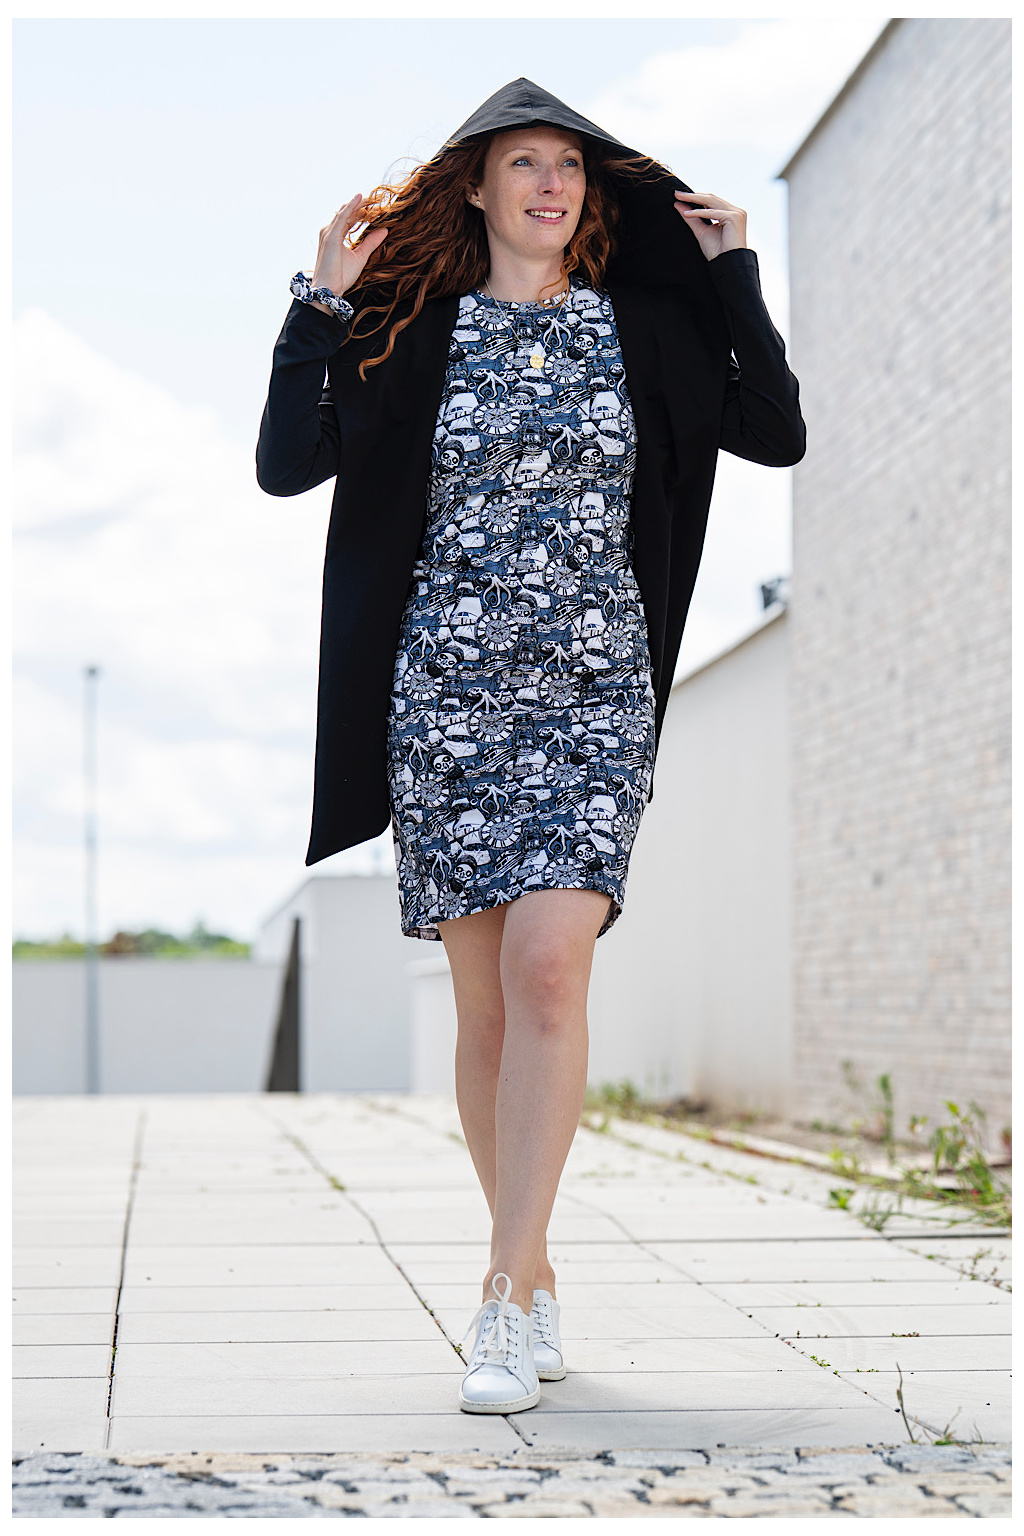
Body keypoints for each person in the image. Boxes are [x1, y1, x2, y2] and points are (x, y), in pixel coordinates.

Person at [256, 79, 805, 1415]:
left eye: (569, 164)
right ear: (479, 188)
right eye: (524, 164)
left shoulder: (642, 328)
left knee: (551, 969)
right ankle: (535, 1266)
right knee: (489, 1009)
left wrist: (734, 277)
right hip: (445, 696)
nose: (552, 183)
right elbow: (286, 463)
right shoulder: (412, 332)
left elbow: (777, 431)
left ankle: (501, 1299)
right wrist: (317, 304)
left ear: (588, 191)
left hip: (593, 692)